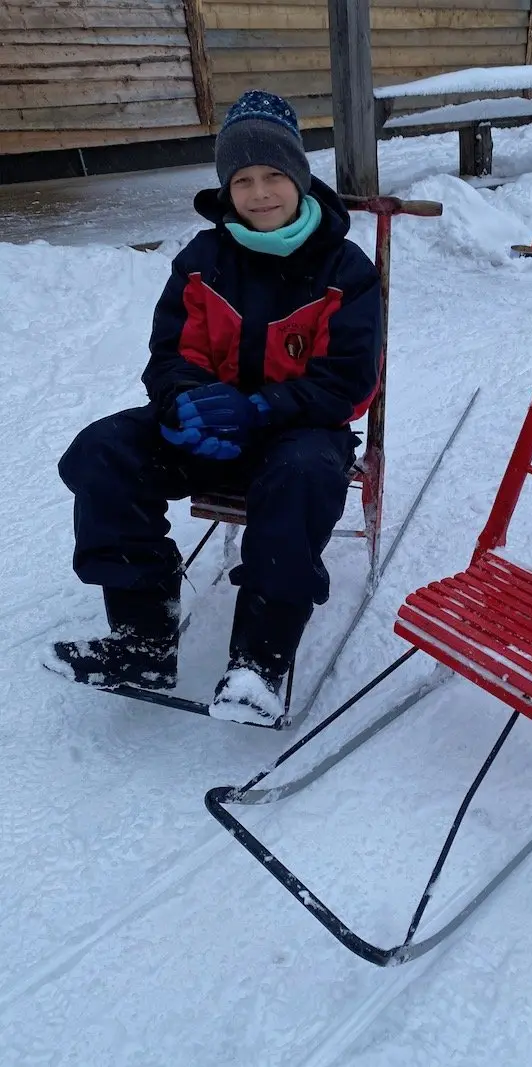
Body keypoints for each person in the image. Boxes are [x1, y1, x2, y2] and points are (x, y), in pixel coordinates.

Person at [47, 90, 383, 725]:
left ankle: (259, 663)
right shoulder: (202, 261)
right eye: (243, 179)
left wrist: (259, 408)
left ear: (300, 177)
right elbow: (168, 355)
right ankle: (143, 639)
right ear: (227, 189)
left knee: (304, 477)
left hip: (296, 434)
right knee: (103, 451)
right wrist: (186, 405)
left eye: (275, 175)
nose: (259, 193)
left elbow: (349, 381)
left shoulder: (345, 270)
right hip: (207, 432)